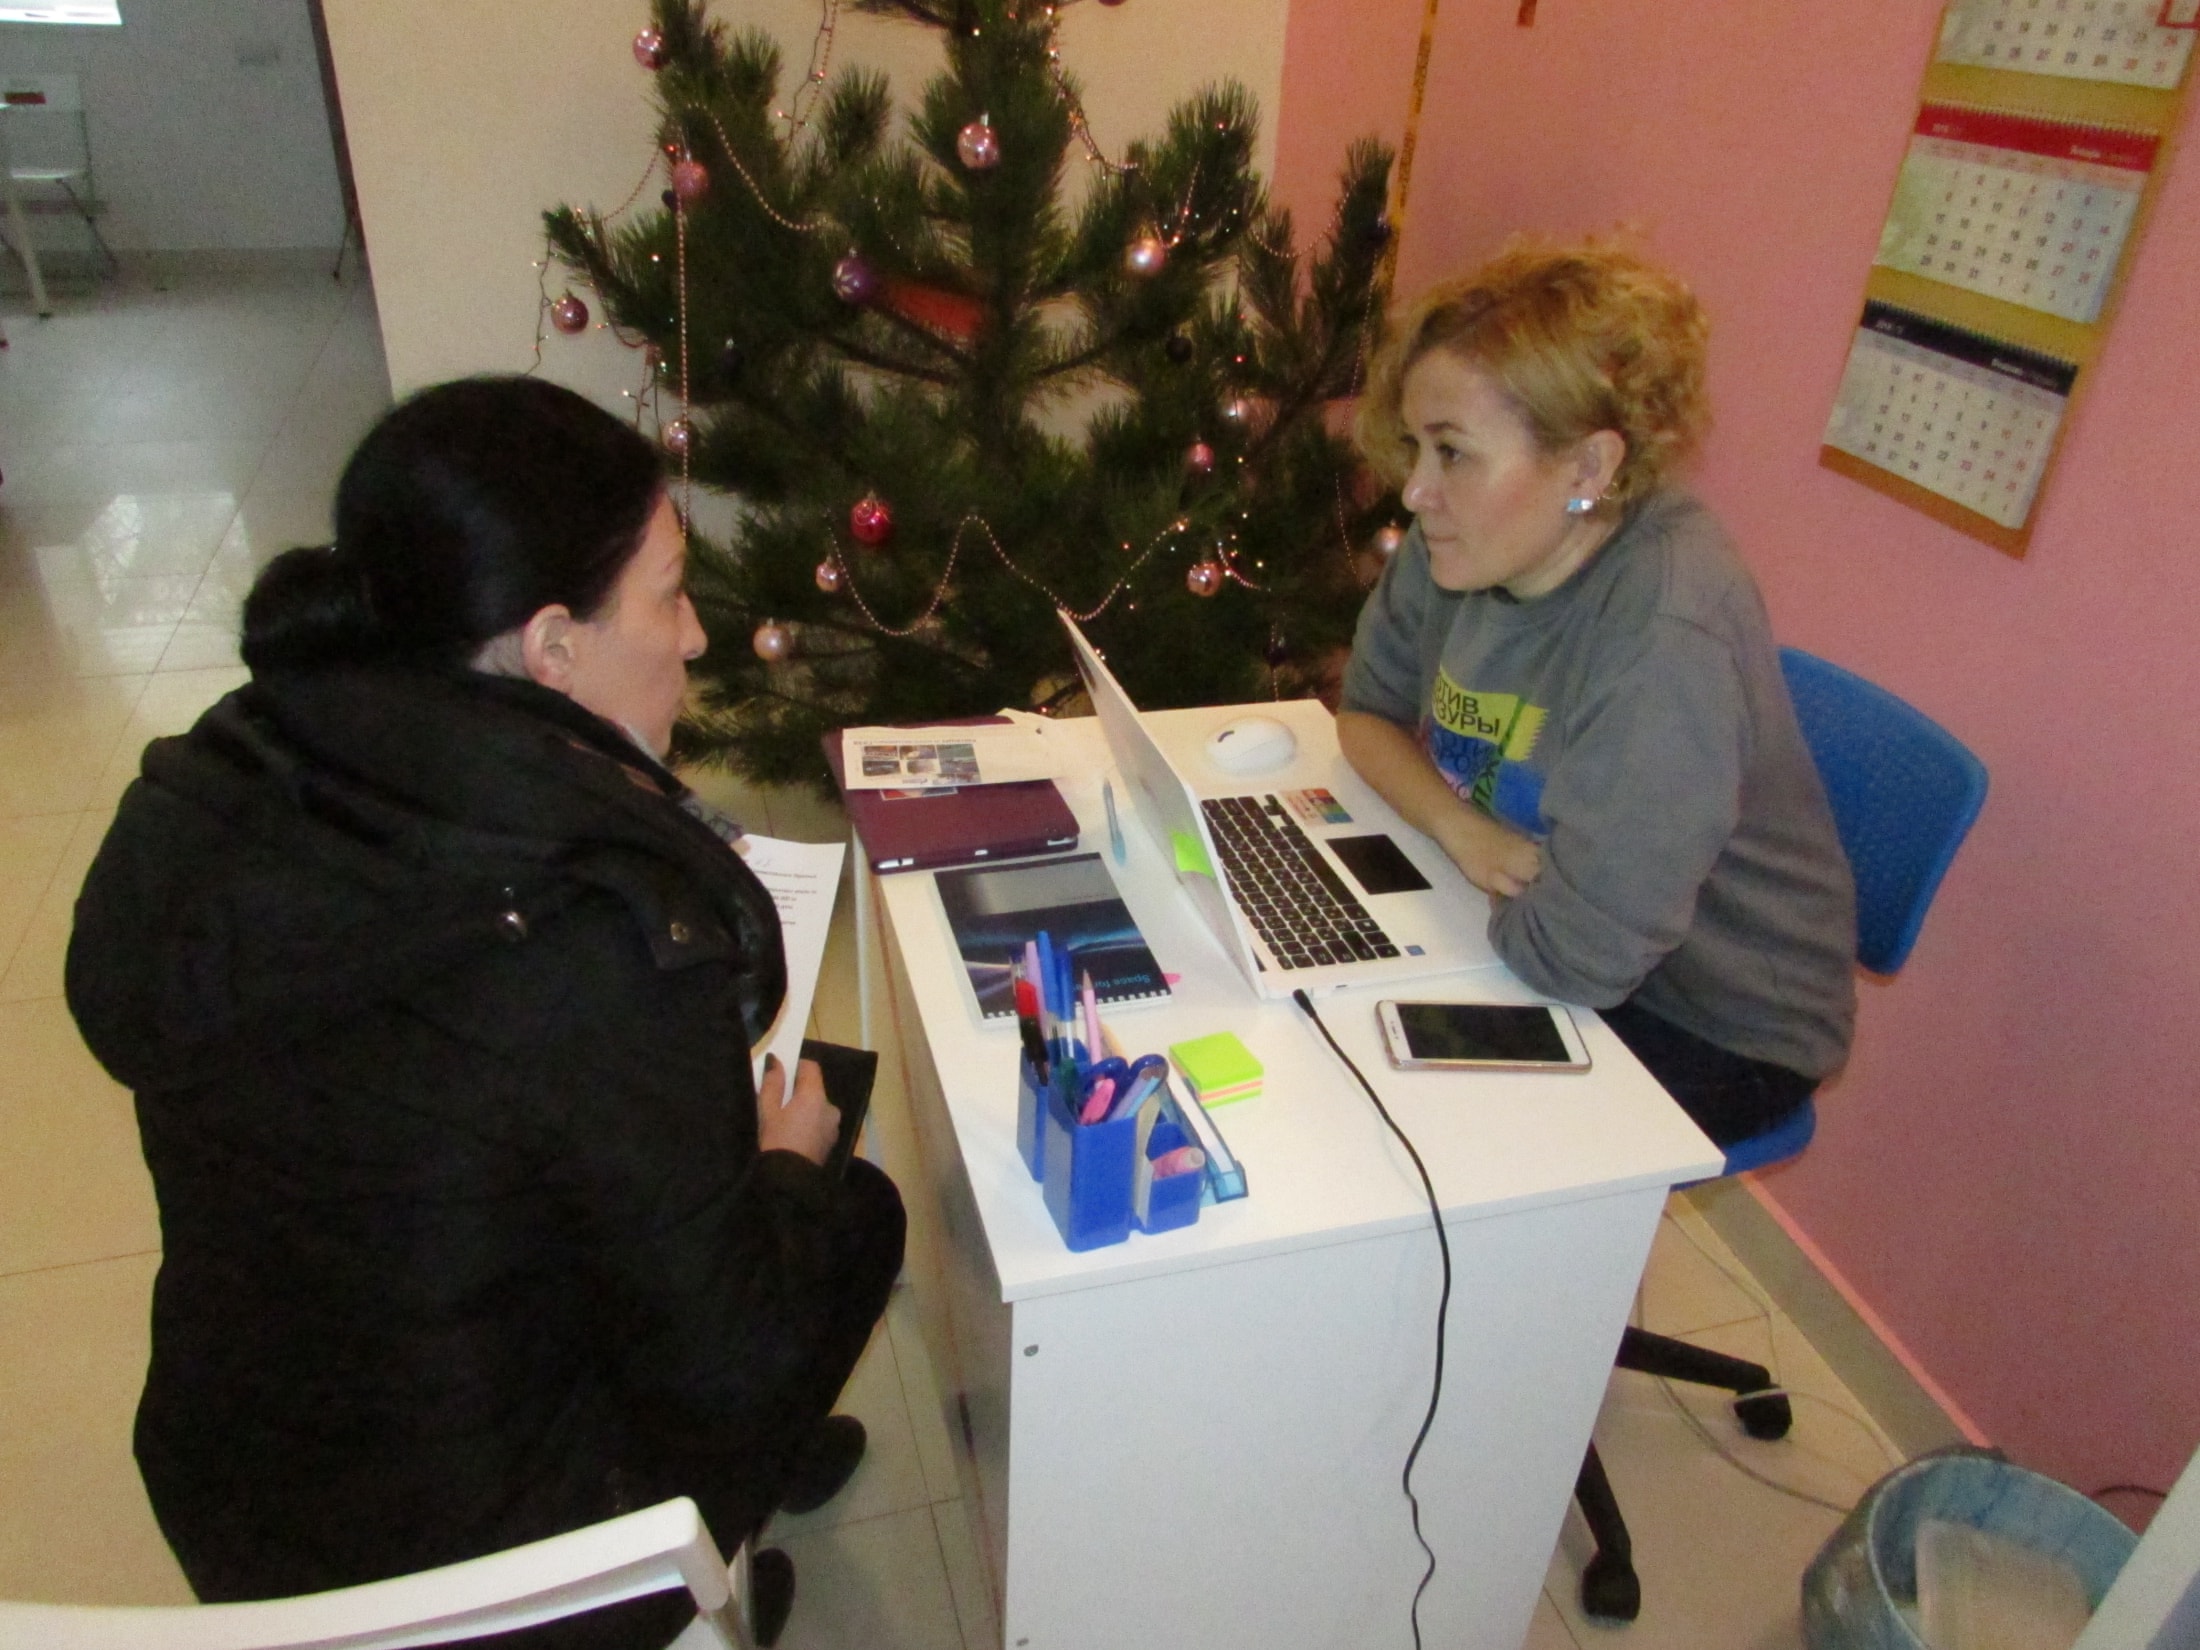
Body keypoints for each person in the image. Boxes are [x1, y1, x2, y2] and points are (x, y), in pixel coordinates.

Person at [65, 376, 905, 1650]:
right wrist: (783, 1166)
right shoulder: (599, 937)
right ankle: (706, 1565)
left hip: (237, 1498)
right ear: (552, 646)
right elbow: (729, 1361)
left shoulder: (239, 780)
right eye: (670, 595)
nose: (694, 639)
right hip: (503, 1590)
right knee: (853, 1208)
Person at [1338, 240, 1856, 1147]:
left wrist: (1452, 894)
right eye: (1417, 447)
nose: (1416, 490)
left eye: (1453, 452)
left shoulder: (1665, 637)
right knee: (1332, 1027)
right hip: (1537, 922)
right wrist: (1460, 832)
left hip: (1707, 1020)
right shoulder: (1465, 539)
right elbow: (1365, 716)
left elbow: (1576, 960)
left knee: (1399, 1126)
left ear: (1587, 470)